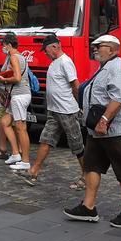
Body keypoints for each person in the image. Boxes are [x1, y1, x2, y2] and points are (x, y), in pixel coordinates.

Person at [64, 34, 121, 227]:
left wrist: (104, 120)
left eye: (100, 46)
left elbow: (118, 97)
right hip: (97, 131)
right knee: (92, 166)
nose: (95, 48)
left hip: (114, 130)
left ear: (113, 49)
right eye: (94, 46)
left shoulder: (119, 68)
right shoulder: (104, 67)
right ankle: (88, 207)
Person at [23, 33, 84, 188]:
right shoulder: (54, 63)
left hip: (67, 111)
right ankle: (34, 171)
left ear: (55, 46)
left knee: (76, 145)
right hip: (54, 111)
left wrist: (81, 105)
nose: (45, 53)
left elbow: (76, 85)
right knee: (46, 139)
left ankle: (87, 177)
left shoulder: (65, 62)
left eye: (46, 50)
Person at [0, 32, 32, 172]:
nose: (3, 48)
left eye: (4, 46)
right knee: (5, 121)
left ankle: (25, 161)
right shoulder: (21, 56)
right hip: (19, 95)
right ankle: (16, 154)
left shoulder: (14, 58)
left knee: (20, 127)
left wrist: (3, 79)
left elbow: (17, 78)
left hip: (19, 96)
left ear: (9, 45)